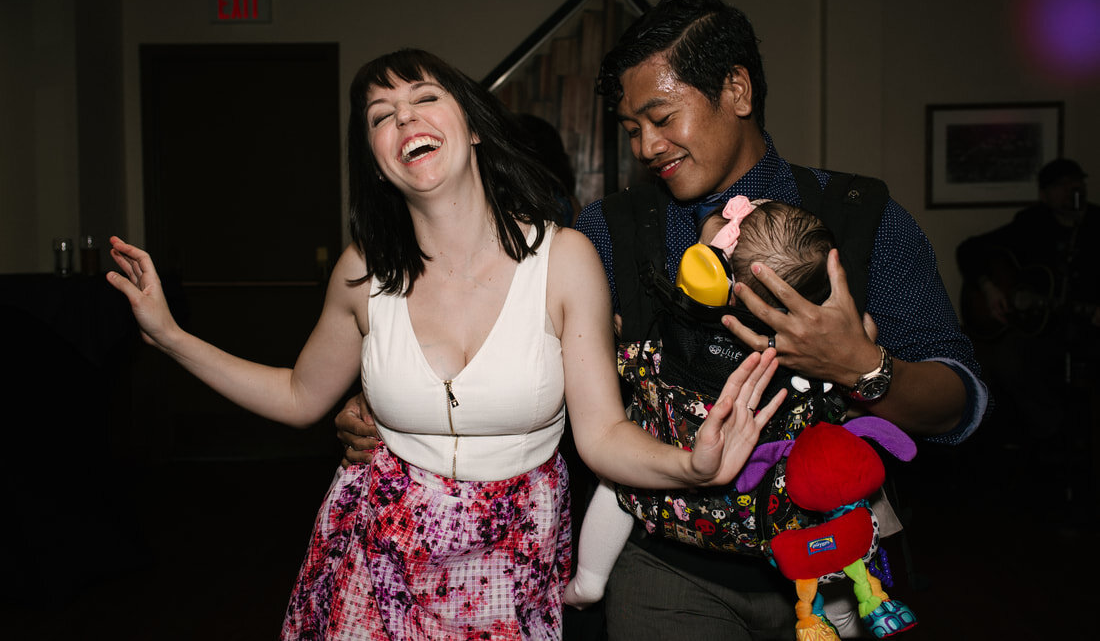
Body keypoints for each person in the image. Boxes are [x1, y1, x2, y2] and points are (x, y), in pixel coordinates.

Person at [337, 0, 988, 640]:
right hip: (665, 568)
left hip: (836, 569)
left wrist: (864, 369)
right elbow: (509, 359)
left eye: (661, 116)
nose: (646, 145)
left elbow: (960, 403)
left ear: (737, 90)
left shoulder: (859, 216)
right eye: (629, 128)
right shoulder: (606, 233)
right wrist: (393, 405)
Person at [107, 47, 789, 641]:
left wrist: (689, 468)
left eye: (423, 99)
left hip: (510, 563)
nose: (403, 119)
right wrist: (169, 336)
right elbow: (296, 395)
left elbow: (602, 434)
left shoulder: (565, 260)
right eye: (380, 116)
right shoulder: (360, 270)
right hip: (372, 555)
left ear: (473, 131)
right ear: (376, 162)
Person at [564, 196, 835, 610]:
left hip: (663, 484)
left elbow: (635, 363)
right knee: (824, 503)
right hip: (770, 507)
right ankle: (836, 605)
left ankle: (589, 578)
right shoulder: (798, 351)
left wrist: (616, 341)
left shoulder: (682, 327)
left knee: (615, 482)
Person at [956, 158, 1099, 499]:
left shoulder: (1096, 227)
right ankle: (1042, 442)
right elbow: (970, 249)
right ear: (1046, 194)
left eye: (1077, 184)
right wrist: (989, 287)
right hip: (1040, 333)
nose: (1072, 192)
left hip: (1083, 331)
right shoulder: (1032, 224)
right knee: (997, 358)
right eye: (1063, 187)